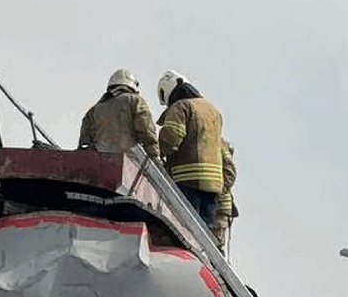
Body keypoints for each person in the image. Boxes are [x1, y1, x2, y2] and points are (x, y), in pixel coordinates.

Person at [156, 70, 225, 227]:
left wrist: (156, 152)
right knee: (204, 236)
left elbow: (171, 138)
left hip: (187, 181)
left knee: (184, 231)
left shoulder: (181, 107)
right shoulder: (213, 110)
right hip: (214, 185)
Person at [77, 69, 159, 157]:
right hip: (130, 163)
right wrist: (154, 155)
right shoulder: (135, 101)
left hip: (97, 164)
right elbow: (146, 131)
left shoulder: (93, 110)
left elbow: (84, 144)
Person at [211, 139, 238, 255]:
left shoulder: (219, 144)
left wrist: (216, 192)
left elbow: (230, 173)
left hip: (219, 208)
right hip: (213, 205)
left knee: (215, 247)